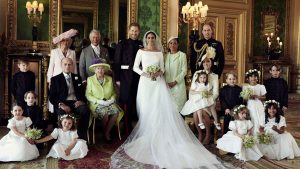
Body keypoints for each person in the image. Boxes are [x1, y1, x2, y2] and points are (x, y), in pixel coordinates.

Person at [110, 31, 227, 169]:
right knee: (146, 108)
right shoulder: (141, 51)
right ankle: (148, 136)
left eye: (153, 37)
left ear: (156, 39)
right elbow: (136, 67)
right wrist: (146, 73)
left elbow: (163, 68)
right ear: (146, 39)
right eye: (148, 37)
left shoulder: (160, 53)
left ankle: (160, 137)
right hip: (145, 83)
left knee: (159, 109)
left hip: (158, 83)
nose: (151, 39)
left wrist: (158, 72)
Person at [49, 57, 90, 141]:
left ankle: (81, 137)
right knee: (61, 112)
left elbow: (82, 93)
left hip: (75, 103)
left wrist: (81, 101)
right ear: (61, 65)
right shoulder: (55, 79)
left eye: (69, 64)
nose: (67, 66)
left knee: (85, 110)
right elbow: (52, 97)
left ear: (72, 66)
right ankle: (63, 139)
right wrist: (61, 105)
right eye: (65, 64)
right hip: (63, 103)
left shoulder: (77, 77)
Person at [114, 23, 143, 132]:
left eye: (136, 31)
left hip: (138, 77)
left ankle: (137, 124)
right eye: (132, 30)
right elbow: (117, 62)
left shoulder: (141, 44)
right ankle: (126, 126)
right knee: (127, 101)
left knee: (137, 100)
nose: (134, 33)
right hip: (125, 77)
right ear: (128, 31)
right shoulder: (122, 43)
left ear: (139, 32)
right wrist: (117, 79)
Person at [85, 59, 120, 142]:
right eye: (98, 68)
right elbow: (88, 95)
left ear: (105, 70)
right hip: (96, 103)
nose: (100, 70)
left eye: (102, 68)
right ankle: (107, 134)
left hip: (109, 102)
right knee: (105, 114)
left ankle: (106, 132)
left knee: (116, 112)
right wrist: (99, 101)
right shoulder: (90, 79)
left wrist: (111, 100)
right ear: (95, 70)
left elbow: (113, 93)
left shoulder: (109, 79)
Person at [193, 52, 220, 144]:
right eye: (204, 62)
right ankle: (200, 133)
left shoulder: (215, 76)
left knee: (204, 112)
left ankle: (208, 134)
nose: (206, 64)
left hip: (210, 100)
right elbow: (193, 88)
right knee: (196, 112)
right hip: (198, 98)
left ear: (211, 63)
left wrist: (208, 98)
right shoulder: (197, 73)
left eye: (208, 61)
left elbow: (216, 92)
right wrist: (197, 97)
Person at [164, 36, 187, 112]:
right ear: (168, 45)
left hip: (178, 85)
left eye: (175, 43)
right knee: (168, 109)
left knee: (178, 109)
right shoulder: (165, 56)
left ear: (178, 45)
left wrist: (175, 82)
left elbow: (184, 71)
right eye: (170, 43)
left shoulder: (182, 55)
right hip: (167, 85)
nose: (172, 45)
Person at [243, 69, 266, 135]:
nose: (253, 78)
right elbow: (244, 99)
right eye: (251, 76)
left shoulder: (261, 86)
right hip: (250, 105)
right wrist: (248, 97)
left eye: (255, 76)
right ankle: (251, 133)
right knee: (252, 117)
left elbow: (264, 97)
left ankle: (259, 133)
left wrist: (258, 97)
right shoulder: (246, 87)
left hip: (258, 105)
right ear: (248, 78)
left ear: (257, 78)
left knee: (259, 118)